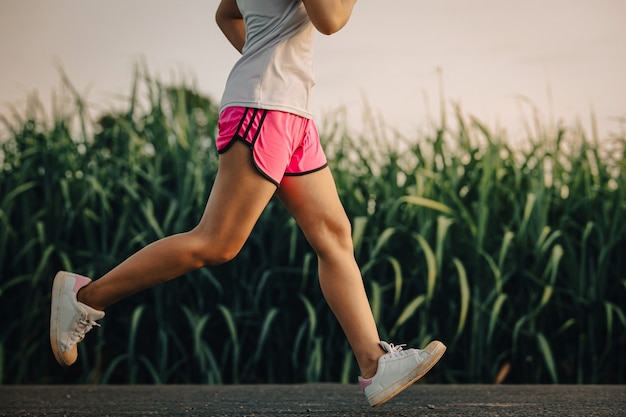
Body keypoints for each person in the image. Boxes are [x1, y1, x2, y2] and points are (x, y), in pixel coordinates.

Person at [49, 0, 445, 407]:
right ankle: (85, 298)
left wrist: (263, 50)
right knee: (216, 242)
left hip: (290, 109)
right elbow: (331, 19)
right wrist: (265, 62)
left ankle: (373, 363)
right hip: (264, 106)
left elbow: (227, 13)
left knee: (334, 235)